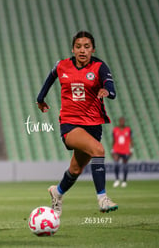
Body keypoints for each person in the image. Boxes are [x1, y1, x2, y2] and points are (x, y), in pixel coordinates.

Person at [36, 31, 118, 216]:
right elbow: (49, 80)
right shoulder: (62, 65)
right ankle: (102, 198)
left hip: (94, 126)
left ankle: (56, 193)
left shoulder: (99, 66)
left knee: (75, 169)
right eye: (78, 47)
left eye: (87, 47)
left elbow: (111, 88)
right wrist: (40, 99)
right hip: (70, 124)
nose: (82, 50)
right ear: (73, 49)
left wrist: (107, 91)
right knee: (99, 151)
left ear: (93, 49)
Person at [112, 117, 133, 188]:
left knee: (125, 166)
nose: (122, 122)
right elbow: (114, 140)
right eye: (121, 121)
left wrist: (131, 149)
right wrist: (112, 150)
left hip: (125, 150)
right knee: (116, 165)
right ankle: (117, 179)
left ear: (124, 122)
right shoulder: (115, 130)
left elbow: (131, 140)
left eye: (123, 121)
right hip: (117, 150)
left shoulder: (128, 130)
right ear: (119, 121)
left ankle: (124, 181)